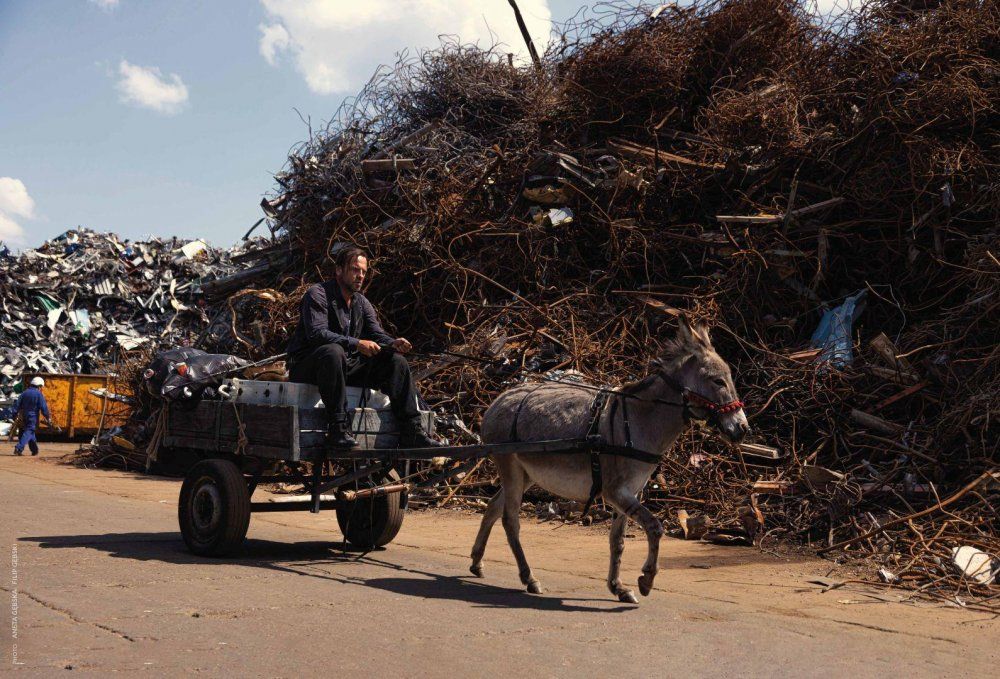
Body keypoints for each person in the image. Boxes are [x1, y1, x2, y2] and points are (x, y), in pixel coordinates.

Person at [285, 246, 443, 448]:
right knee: (333, 351)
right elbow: (317, 334)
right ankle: (338, 429)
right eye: (354, 270)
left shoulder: (362, 302)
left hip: (343, 367)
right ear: (339, 270)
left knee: (396, 362)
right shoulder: (317, 294)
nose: (360, 276)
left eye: (363, 272)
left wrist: (392, 343)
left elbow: (376, 333)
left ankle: (411, 430)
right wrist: (357, 343)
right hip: (309, 367)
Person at [13, 376, 52, 456]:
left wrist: (14, 415)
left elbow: (17, 404)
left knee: (31, 432)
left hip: (24, 416)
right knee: (29, 431)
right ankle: (18, 448)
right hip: (33, 416)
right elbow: (43, 407)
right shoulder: (38, 394)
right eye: (41, 387)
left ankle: (34, 450)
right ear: (39, 385)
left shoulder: (24, 393)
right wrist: (48, 417)